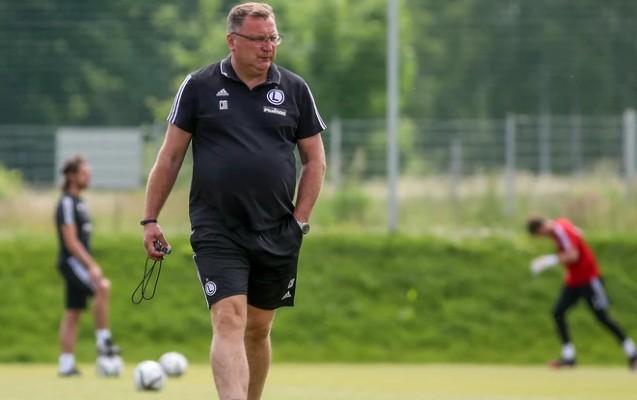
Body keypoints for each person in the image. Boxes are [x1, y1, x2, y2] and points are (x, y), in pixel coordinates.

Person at [141, 2, 326, 399]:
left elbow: (315, 161)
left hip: (277, 229)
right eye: (258, 39)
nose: (267, 47)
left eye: (273, 38)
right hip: (217, 228)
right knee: (228, 318)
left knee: (257, 329)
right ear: (232, 41)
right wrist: (150, 219)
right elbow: (170, 157)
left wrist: (299, 220)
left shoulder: (294, 89)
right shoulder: (200, 86)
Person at [527, 216, 637, 370]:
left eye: (540, 234)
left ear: (541, 228)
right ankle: (569, 357)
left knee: (603, 317)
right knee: (558, 312)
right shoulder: (560, 228)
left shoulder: (560, 230)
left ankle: (633, 354)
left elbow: (574, 256)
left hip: (590, 279)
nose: (543, 237)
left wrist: (550, 260)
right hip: (574, 281)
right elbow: (579, 233)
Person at [55, 155, 120, 376]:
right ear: (72, 176)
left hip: (77, 263)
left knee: (72, 312)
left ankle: (66, 365)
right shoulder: (67, 202)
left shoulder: (79, 202)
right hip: (72, 262)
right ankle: (104, 343)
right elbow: (71, 241)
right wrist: (91, 265)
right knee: (102, 287)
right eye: (84, 173)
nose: (88, 177)